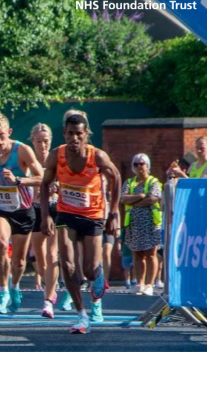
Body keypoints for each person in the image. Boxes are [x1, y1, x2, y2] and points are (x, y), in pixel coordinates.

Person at [39, 110, 122, 334]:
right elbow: (45, 184)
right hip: (66, 214)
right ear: (64, 133)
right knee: (67, 263)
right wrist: (46, 215)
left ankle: (98, 277)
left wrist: (113, 212)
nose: (74, 139)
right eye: (70, 134)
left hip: (93, 215)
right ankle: (81, 314)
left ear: (86, 134)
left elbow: (116, 178)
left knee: (89, 269)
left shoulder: (98, 156)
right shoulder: (57, 155)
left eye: (79, 134)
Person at [0, 113, 44, 315]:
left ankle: (14, 287)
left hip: (22, 209)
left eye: (1, 135)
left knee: (19, 261)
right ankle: (2, 291)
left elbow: (42, 177)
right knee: (0, 243)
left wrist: (19, 180)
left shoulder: (22, 151)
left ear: (9, 132)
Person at [28, 123, 62, 317]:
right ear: (32, 141)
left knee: (51, 254)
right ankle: (51, 285)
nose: (42, 145)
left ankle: (48, 300)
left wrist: (57, 187)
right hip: (34, 208)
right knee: (40, 260)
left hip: (54, 207)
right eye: (39, 141)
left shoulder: (56, 159)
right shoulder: (27, 159)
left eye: (46, 141)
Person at [121, 153, 163, 296]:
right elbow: (123, 199)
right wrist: (139, 196)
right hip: (134, 224)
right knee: (137, 254)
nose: (139, 166)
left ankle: (150, 284)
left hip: (150, 223)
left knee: (151, 254)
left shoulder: (153, 182)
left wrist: (135, 202)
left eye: (142, 163)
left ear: (147, 165)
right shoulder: (129, 182)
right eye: (136, 164)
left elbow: (152, 199)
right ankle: (140, 283)